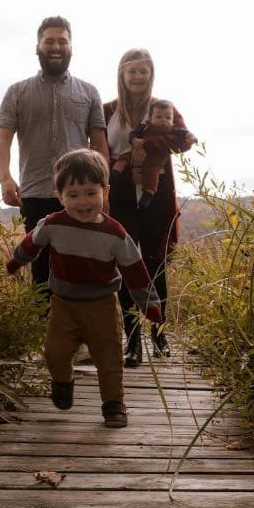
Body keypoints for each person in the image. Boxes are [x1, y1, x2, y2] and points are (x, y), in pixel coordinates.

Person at [5, 148, 162, 428]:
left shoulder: (115, 233)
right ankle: (63, 381)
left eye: (91, 193)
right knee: (54, 351)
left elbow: (135, 269)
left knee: (109, 357)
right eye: (73, 195)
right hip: (63, 305)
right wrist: (16, 261)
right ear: (59, 196)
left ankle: (113, 404)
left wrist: (149, 304)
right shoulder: (53, 224)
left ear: (106, 191)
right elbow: (32, 243)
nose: (83, 202)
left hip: (102, 304)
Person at [0, 16, 108, 293]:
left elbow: (100, 143)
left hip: (80, 195)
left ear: (71, 46)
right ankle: (44, 331)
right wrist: (6, 178)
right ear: (38, 47)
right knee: (41, 268)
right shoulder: (17, 92)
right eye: (49, 41)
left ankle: (79, 331)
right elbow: (3, 138)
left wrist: (105, 188)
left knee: (81, 265)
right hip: (34, 194)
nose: (55, 46)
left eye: (62, 41)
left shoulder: (89, 92)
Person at [104, 48, 195, 367]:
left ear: (150, 74)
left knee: (156, 265)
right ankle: (132, 341)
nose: (139, 77)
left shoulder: (163, 108)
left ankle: (159, 335)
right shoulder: (107, 111)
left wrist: (146, 147)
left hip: (156, 195)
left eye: (144, 71)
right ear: (122, 75)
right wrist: (121, 165)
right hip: (120, 196)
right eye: (133, 71)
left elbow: (183, 140)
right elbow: (97, 150)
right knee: (127, 264)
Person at [111, 99, 198, 211]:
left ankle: (148, 193)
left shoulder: (174, 128)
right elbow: (133, 134)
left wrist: (191, 137)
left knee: (152, 174)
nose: (163, 120)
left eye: (168, 118)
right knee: (124, 158)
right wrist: (134, 140)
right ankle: (115, 173)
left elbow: (184, 138)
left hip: (156, 161)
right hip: (131, 162)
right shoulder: (145, 126)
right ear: (150, 118)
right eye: (158, 117)